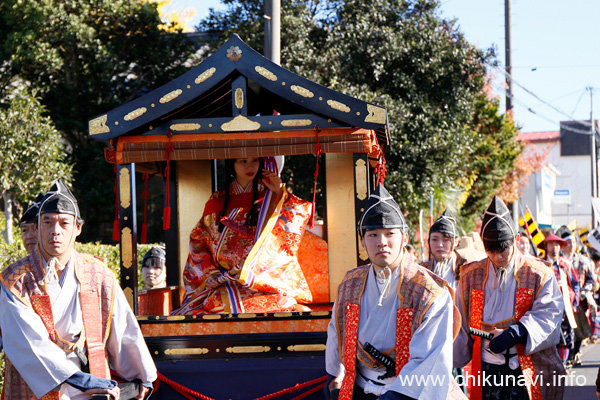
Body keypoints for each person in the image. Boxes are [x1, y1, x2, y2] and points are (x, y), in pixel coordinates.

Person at [0, 179, 157, 400]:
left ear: (77, 228)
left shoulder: (99, 275)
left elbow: (123, 329)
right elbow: (27, 342)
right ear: (37, 226)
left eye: (64, 223)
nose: (56, 231)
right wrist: (81, 380)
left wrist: (141, 377)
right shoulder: (15, 280)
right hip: (37, 387)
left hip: (94, 388)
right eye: (47, 222)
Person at [325, 184, 464, 400]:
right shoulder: (349, 285)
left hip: (410, 393)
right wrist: (335, 378)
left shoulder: (429, 292)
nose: (382, 242)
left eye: (390, 233)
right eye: (373, 235)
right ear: (362, 241)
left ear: (405, 238)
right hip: (360, 388)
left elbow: (429, 359)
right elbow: (337, 333)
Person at [454, 196, 565, 400]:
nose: (497, 257)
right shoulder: (470, 276)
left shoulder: (538, 273)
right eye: (491, 251)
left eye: (503, 250)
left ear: (516, 239)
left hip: (524, 369)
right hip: (485, 369)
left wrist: (516, 333)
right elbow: (459, 326)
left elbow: (550, 313)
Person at [173, 157, 313, 315]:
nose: (250, 166)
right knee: (215, 307)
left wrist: (279, 192)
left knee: (282, 305)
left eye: (254, 160)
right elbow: (199, 241)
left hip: (263, 281)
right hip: (226, 281)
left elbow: (290, 230)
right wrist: (211, 274)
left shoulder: (271, 196)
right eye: (243, 161)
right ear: (232, 164)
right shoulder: (218, 200)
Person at [538, 232, 580, 368]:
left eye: (556, 245)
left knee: (566, 336)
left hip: (565, 305)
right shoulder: (539, 264)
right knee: (547, 337)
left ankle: (561, 365)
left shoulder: (566, 264)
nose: (554, 248)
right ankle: (550, 364)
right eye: (551, 244)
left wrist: (574, 303)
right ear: (546, 246)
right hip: (545, 306)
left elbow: (575, 284)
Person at [556, 225, 595, 365]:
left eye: (573, 242)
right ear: (563, 245)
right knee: (563, 329)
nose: (572, 245)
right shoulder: (557, 260)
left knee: (577, 327)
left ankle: (575, 352)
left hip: (579, 300)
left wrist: (585, 291)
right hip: (560, 300)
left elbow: (591, 279)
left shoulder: (583, 260)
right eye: (569, 242)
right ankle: (565, 355)